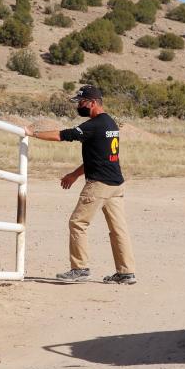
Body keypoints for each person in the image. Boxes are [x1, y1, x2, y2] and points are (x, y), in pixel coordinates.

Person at [25, 84, 137, 284]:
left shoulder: (93, 125)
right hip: (115, 184)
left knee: (78, 223)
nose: (79, 106)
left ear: (93, 103)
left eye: (82, 102)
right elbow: (98, 157)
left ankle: (80, 269)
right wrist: (75, 174)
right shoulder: (110, 123)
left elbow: (63, 135)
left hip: (99, 185)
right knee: (118, 229)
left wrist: (32, 133)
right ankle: (126, 272)